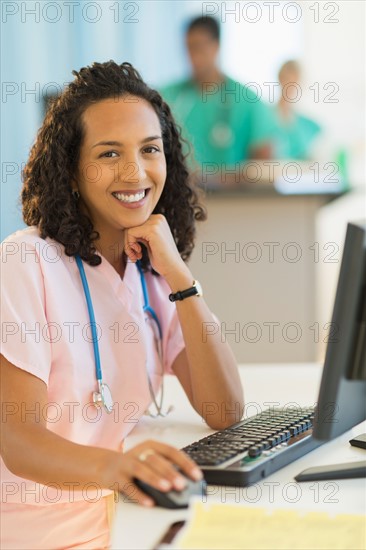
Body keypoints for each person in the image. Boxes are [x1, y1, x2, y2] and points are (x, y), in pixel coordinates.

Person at [0, 60, 244, 549]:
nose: (135, 172)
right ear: (71, 170)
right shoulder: (25, 261)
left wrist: (181, 276)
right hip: (45, 518)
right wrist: (120, 467)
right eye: (109, 153)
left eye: (149, 150)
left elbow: (225, 409)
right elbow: (19, 442)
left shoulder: (153, 274)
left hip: (126, 505)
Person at [160, 16, 274, 169]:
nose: (194, 56)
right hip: (178, 190)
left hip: (232, 192)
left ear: (216, 46)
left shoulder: (247, 100)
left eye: (200, 47)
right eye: (189, 48)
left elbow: (263, 160)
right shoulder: (167, 96)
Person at [272, 60, 322, 159]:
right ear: (279, 79)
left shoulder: (307, 124)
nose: (291, 86)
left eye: (295, 82)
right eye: (287, 79)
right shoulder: (265, 117)